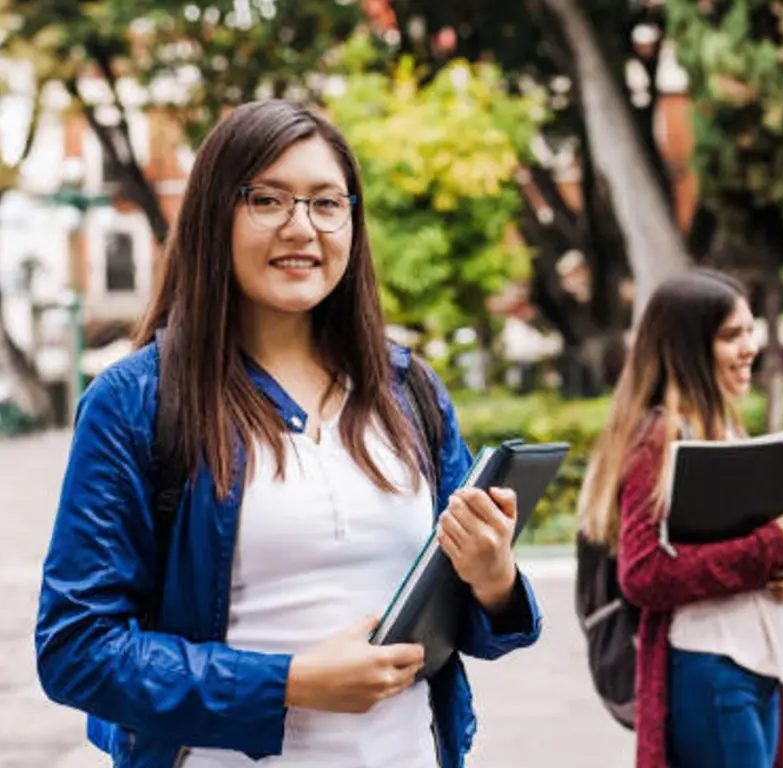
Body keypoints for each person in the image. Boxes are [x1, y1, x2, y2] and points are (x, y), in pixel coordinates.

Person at [34, 100, 542, 768]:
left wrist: (493, 576)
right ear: (218, 214)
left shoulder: (408, 392)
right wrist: (291, 684)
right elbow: (78, 650)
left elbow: (472, 623)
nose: (302, 227)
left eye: (328, 203)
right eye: (268, 200)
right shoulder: (138, 402)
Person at [577, 269, 783, 768]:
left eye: (750, 331)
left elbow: (744, 544)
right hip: (710, 670)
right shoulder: (659, 439)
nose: (750, 347)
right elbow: (643, 574)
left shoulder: (723, 426)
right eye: (732, 335)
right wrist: (770, 547)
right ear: (688, 347)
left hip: (758, 665)